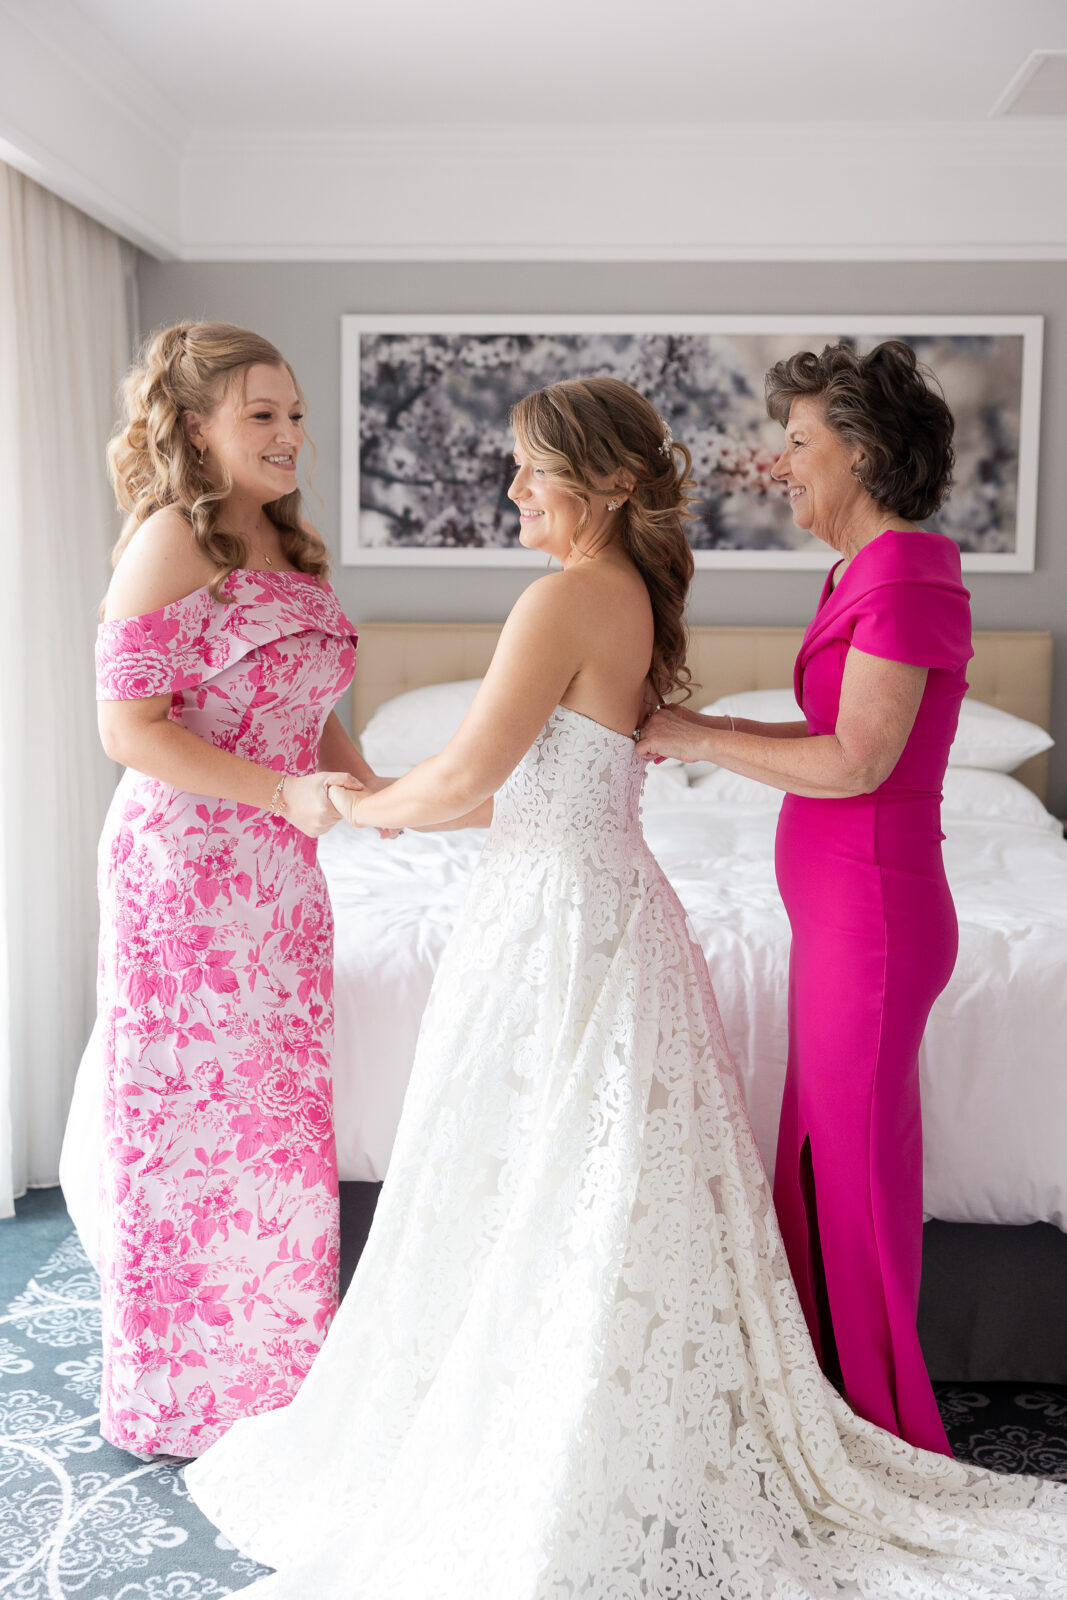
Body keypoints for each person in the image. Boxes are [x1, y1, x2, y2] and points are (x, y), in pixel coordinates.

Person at [185, 377, 1067, 1599]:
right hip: (597, 903)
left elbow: (468, 776)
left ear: (600, 482)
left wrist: (336, 804)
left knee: (549, 1171)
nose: (511, 489)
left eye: (529, 467)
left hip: (564, 916)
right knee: (581, 1178)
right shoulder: (631, 593)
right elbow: (510, 784)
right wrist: (392, 800)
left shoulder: (565, 598)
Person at [640, 340, 970, 1458]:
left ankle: (883, 1429)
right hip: (839, 915)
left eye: (795, 441)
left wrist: (697, 740)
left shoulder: (906, 569)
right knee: (822, 1158)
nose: (776, 463)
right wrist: (707, 729)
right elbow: (830, 729)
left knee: (855, 1174)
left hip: (873, 915)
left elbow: (856, 762)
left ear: (862, 452)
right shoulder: (856, 572)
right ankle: (825, 1394)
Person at [80, 321, 387, 1458]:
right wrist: (281, 792)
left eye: (295, 413)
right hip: (185, 876)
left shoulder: (290, 542)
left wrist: (368, 786)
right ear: (196, 427)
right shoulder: (169, 538)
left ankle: (274, 1379)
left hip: (279, 879)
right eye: (261, 414)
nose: (289, 432)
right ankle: (180, 1397)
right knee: (187, 1131)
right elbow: (129, 730)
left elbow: (309, 703)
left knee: (272, 1125)